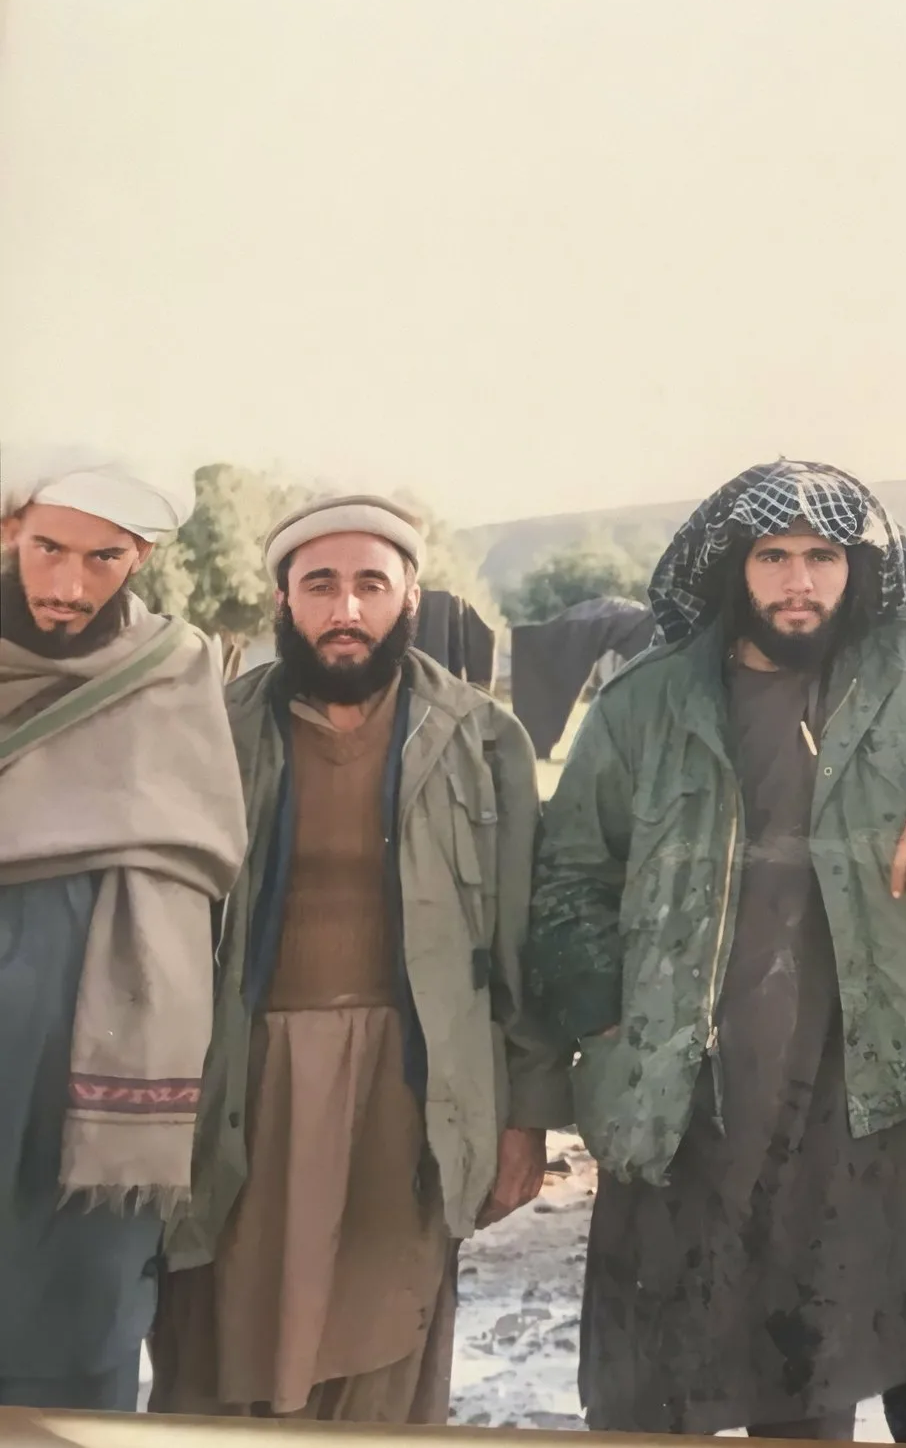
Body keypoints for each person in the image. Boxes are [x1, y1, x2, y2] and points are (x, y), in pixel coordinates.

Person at [526, 459, 906, 1439]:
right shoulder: (645, 704)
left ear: (856, 568)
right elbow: (568, 876)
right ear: (734, 568)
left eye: (822, 557)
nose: (799, 581)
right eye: (774, 556)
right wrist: (611, 1020)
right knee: (647, 1396)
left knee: (813, 1389)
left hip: (847, 1094)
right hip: (677, 1096)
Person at [149, 493, 572, 1424]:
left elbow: (522, 946)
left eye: (370, 585)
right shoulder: (213, 729)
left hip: (409, 1087)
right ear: (282, 600)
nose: (346, 609)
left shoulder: (479, 739)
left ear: (409, 598)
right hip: (244, 1082)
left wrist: (527, 1117)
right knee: (217, 1334)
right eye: (321, 585)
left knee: (384, 1345)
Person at [0, 448, 246, 1410]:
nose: (69, 585)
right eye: (49, 548)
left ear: (141, 555)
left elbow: (207, 843)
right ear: (11, 532)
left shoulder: (174, 666)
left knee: (80, 1289)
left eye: (103, 557)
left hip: (112, 998)